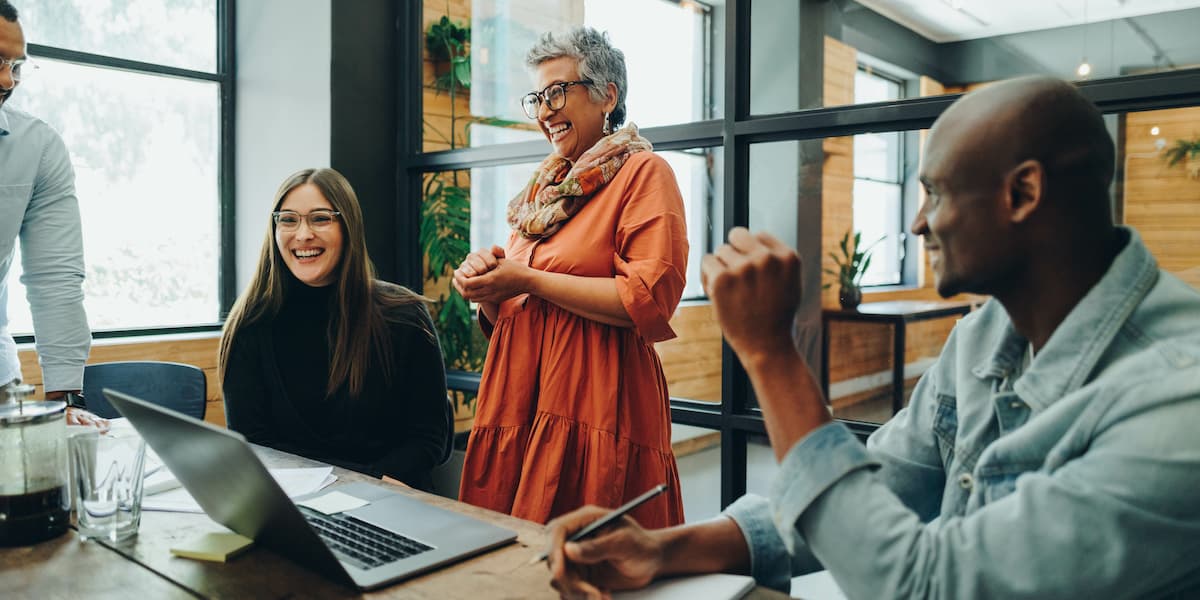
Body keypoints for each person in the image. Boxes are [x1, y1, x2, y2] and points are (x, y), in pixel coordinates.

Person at [544, 76, 1200, 599]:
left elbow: (921, 583)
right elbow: (873, 492)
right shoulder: (985, 335)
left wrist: (770, 354)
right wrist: (663, 549)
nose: (918, 224)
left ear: (1023, 193)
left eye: (935, 192)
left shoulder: (1176, 402)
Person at [454, 27, 688, 528]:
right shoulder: (542, 193)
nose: (544, 111)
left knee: (589, 550)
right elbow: (513, 312)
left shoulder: (644, 173)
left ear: (608, 96)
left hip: (596, 403)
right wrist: (487, 287)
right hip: (518, 400)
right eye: (537, 98)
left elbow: (647, 299)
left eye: (557, 92)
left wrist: (528, 280)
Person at [219, 168, 449, 490]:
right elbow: (254, 444)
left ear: (348, 227)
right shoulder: (250, 323)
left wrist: (367, 486)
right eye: (288, 220)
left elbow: (428, 438)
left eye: (320, 219)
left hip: (385, 496)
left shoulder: (404, 315)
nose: (303, 234)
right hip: (292, 500)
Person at [0, 1, 104, 429]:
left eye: (16, 66)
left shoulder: (37, 146)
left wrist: (64, 400)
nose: (8, 80)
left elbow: (55, 278)